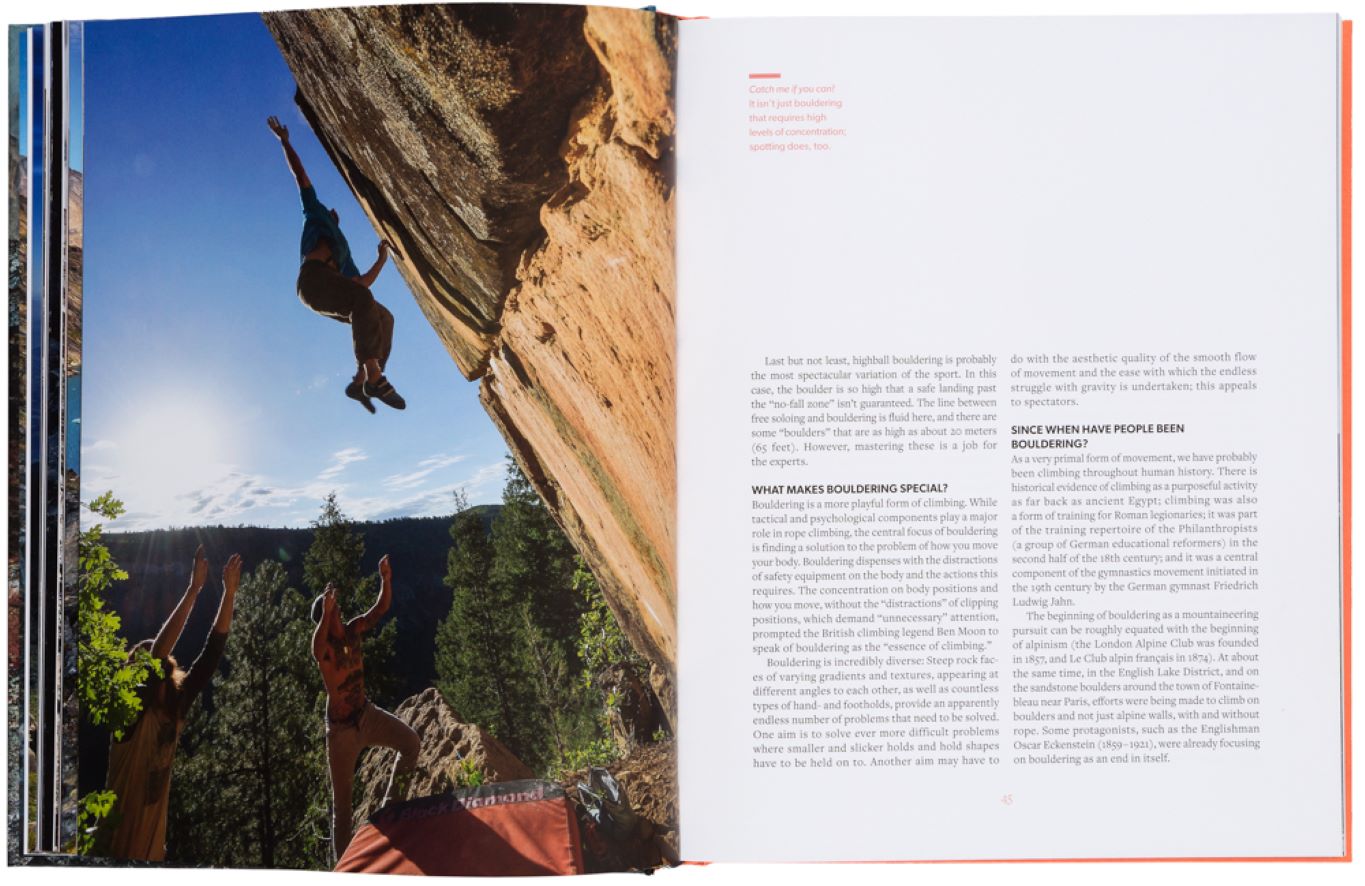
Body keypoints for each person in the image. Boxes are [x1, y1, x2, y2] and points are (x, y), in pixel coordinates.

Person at [104, 547, 242, 861]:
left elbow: (211, 652)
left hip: (151, 856)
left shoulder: (175, 706)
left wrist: (229, 594)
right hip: (112, 854)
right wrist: (193, 590)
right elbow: (156, 658)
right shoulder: (130, 714)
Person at [267, 114, 405, 412]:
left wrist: (381, 259)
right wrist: (285, 142)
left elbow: (361, 286)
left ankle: (362, 381)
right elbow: (300, 177)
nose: (334, 215)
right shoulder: (314, 213)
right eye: (333, 214)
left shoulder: (344, 254)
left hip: (330, 287)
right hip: (312, 281)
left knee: (383, 317)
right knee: (363, 301)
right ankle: (373, 376)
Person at [312, 554, 420, 862]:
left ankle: (390, 814)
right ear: (323, 615)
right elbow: (315, 648)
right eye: (332, 608)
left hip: (367, 715)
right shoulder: (326, 649)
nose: (339, 610)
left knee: (410, 743)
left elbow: (380, 609)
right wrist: (325, 613)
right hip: (342, 732)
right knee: (342, 807)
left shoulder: (352, 630)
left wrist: (385, 580)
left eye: (337, 606)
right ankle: (344, 870)